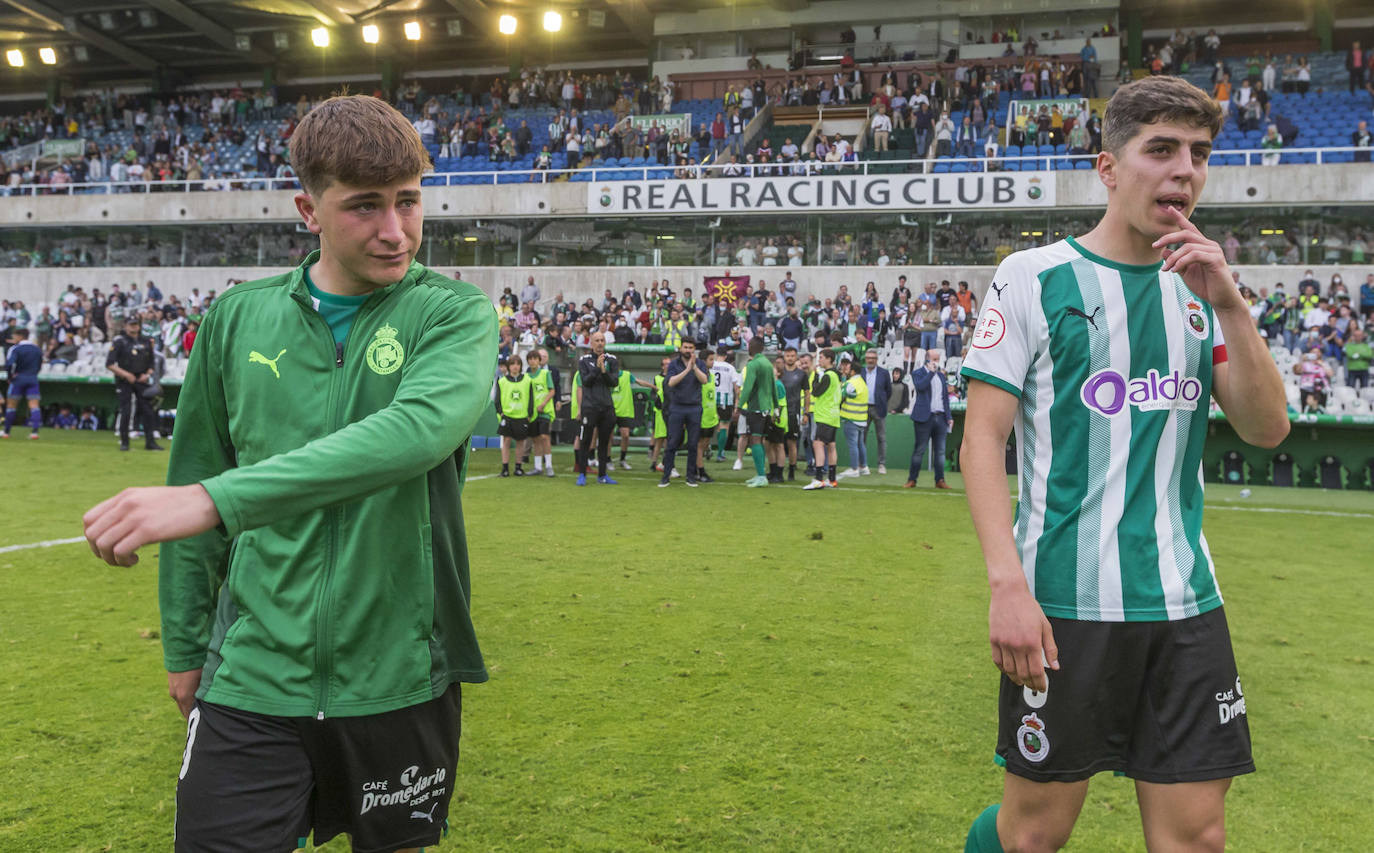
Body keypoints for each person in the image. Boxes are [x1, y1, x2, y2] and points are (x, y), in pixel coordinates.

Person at [82, 94, 499, 853]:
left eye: (409, 202)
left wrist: (215, 502)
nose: (395, 230)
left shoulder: (453, 314)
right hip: (252, 675)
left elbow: (415, 434)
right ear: (308, 208)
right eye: (364, 206)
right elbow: (197, 465)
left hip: (400, 672)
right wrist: (182, 648)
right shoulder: (237, 319)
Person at [959, 76, 1289, 853]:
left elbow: (1266, 427)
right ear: (1108, 167)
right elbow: (981, 440)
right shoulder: (1034, 277)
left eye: (1200, 154)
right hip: (1065, 605)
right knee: (1033, 834)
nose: (1184, 171)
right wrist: (1007, 584)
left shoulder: (1202, 291)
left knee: (1198, 836)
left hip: (1185, 603)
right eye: (1161, 149)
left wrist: (1234, 306)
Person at [106, 314, 162, 451]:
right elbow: (110, 364)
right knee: (126, 410)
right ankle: (125, 442)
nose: (134, 327)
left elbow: (151, 363)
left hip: (141, 379)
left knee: (148, 410)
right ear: (125, 326)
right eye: (131, 324)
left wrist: (147, 374)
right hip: (124, 379)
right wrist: (126, 375)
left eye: (136, 324)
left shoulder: (146, 341)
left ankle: (150, 442)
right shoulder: (119, 341)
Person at [660, 338, 708, 487]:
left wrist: (693, 368)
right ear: (681, 348)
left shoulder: (699, 363)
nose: (688, 350)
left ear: (694, 349)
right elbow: (671, 382)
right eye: (685, 347)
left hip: (694, 407)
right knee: (672, 442)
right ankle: (666, 476)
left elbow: (705, 380)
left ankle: (690, 477)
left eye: (690, 348)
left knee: (693, 443)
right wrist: (687, 370)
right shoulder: (674, 364)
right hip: (677, 406)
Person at [575, 331, 620, 485]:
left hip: (607, 407)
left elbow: (614, 382)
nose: (600, 343)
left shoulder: (612, 360)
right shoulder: (584, 360)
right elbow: (586, 381)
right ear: (591, 343)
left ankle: (602, 475)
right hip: (589, 407)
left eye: (602, 340)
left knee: (604, 441)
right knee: (585, 441)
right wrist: (596, 368)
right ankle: (582, 474)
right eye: (596, 340)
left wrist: (603, 370)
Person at [905, 351, 953, 489]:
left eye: (938, 359)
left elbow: (945, 398)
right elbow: (920, 387)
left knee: (940, 451)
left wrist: (949, 417)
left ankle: (940, 480)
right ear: (927, 359)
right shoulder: (918, 373)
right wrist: (931, 373)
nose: (936, 361)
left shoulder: (941, 376)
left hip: (941, 417)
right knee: (919, 450)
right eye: (934, 359)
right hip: (924, 417)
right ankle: (912, 479)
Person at [735, 336, 778, 487]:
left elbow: (747, 387)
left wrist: (739, 406)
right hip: (767, 408)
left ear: (751, 347)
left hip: (756, 407)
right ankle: (760, 473)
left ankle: (761, 476)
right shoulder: (767, 363)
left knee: (755, 440)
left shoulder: (753, 364)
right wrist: (776, 407)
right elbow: (773, 386)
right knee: (759, 440)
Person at [803, 348, 841, 489]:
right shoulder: (836, 375)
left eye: (822, 357)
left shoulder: (828, 375)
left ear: (829, 359)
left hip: (825, 415)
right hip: (833, 415)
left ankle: (819, 478)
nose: (819, 361)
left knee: (818, 444)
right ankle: (832, 479)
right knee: (831, 446)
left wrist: (817, 376)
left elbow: (816, 392)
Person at [497, 355, 534, 477]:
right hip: (507, 416)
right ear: (508, 366)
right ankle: (505, 468)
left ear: (521, 366)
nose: (515, 367)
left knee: (520, 442)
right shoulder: (502, 381)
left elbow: (531, 398)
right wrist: (501, 412)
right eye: (512, 364)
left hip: (522, 416)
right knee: (506, 441)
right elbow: (497, 399)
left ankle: (518, 467)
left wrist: (529, 414)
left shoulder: (527, 380)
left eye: (518, 364)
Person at [3, 327, 43, 439]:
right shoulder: (37, 349)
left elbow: (10, 364)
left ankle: (6, 432)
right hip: (32, 378)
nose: (13, 338)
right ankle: (34, 432)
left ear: (20, 336)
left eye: (14, 336)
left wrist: (10, 377)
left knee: (11, 406)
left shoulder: (16, 349)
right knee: (34, 406)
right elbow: (40, 364)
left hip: (18, 379)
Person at [836, 355, 870, 478]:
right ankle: (864, 467)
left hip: (851, 418)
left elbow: (840, 394)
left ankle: (855, 468)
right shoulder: (862, 382)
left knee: (853, 444)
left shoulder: (851, 382)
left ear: (853, 371)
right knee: (860, 443)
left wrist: (843, 380)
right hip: (862, 419)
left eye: (849, 369)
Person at [524, 348, 557, 476]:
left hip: (545, 411)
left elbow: (552, 391)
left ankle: (549, 465)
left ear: (539, 361)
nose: (533, 361)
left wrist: (543, 404)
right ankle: (538, 467)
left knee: (544, 437)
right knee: (535, 439)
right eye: (530, 359)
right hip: (532, 413)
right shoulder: (526, 377)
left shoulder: (545, 374)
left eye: (535, 359)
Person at [860, 348, 892, 474]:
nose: (870, 360)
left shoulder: (884, 373)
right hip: (862, 408)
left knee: (881, 438)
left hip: (879, 409)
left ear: (877, 360)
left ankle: (881, 464)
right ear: (865, 359)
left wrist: (882, 401)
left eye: (873, 358)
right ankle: (861, 464)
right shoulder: (861, 371)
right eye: (868, 358)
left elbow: (888, 391)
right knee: (861, 437)